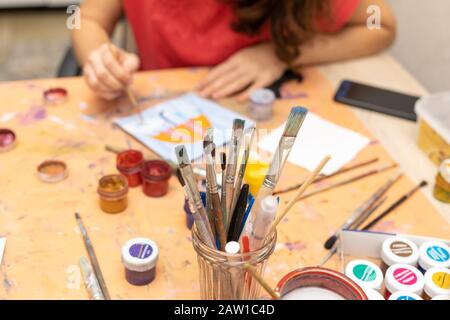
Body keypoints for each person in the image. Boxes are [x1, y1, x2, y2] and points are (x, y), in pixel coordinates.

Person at [72, 0, 396, 101]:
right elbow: (81, 17)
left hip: (258, 123)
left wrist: (280, 53)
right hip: (157, 110)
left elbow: (379, 25)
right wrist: (98, 57)